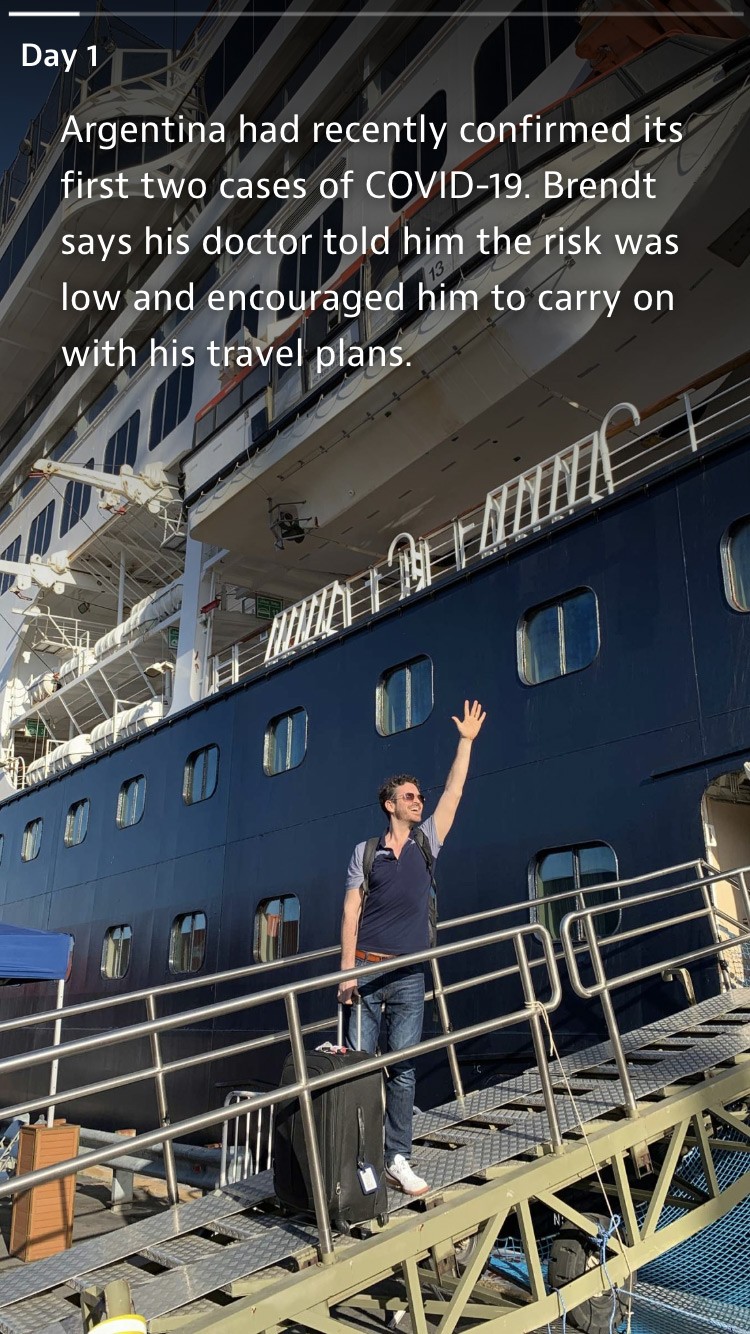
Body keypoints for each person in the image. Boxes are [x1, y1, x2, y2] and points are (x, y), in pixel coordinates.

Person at [337, 699, 486, 1196]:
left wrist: (465, 741)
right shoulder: (363, 852)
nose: (418, 801)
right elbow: (350, 914)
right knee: (356, 1073)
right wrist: (346, 973)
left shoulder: (428, 843)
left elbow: (458, 791)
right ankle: (356, 1161)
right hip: (367, 970)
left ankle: (397, 1158)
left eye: (420, 796)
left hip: (408, 976)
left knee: (402, 1071)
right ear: (390, 804)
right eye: (409, 796)